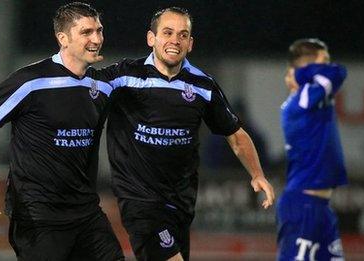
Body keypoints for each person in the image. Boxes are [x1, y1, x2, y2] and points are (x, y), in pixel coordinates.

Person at [101, 7, 275, 261]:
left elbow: (235, 135)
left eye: (182, 35)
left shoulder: (203, 85)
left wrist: (257, 174)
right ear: (152, 38)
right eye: (168, 32)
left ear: (190, 43)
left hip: (180, 203)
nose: (175, 41)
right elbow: (83, 95)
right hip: (140, 202)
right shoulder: (123, 77)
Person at [0, 2, 123, 260]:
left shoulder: (101, 86)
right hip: (38, 216)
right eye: (86, 32)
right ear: (63, 38)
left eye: (99, 30)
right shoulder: (30, 82)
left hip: (85, 213)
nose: (96, 38)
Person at [276, 38, 348, 261]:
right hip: (303, 205)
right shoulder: (302, 101)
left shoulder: (314, 99)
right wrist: (302, 72)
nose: (329, 65)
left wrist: (306, 71)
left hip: (320, 207)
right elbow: (338, 73)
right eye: (323, 61)